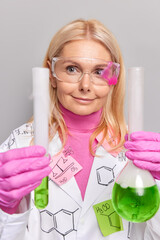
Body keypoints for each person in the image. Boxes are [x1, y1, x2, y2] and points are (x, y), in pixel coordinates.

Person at [0, 19, 160, 240]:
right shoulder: (20, 145)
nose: (85, 85)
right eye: (72, 69)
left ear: (114, 78)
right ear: (51, 74)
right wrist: (6, 210)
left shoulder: (139, 153)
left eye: (99, 71)